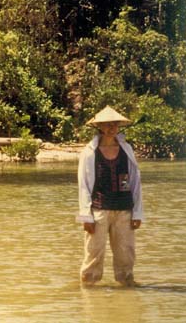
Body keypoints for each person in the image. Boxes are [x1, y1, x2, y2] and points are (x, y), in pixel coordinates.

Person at [76, 105, 144, 287]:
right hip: (98, 210)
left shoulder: (126, 150)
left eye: (115, 124)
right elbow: (84, 185)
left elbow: (135, 182)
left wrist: (137, 213)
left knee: (126, 254)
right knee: (93, 254)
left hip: (124, 209)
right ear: (99, 127)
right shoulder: (90, 152)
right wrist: (86, 216)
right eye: (107, 124)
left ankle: (127, 285)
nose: (111, 128)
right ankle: (88, 289)